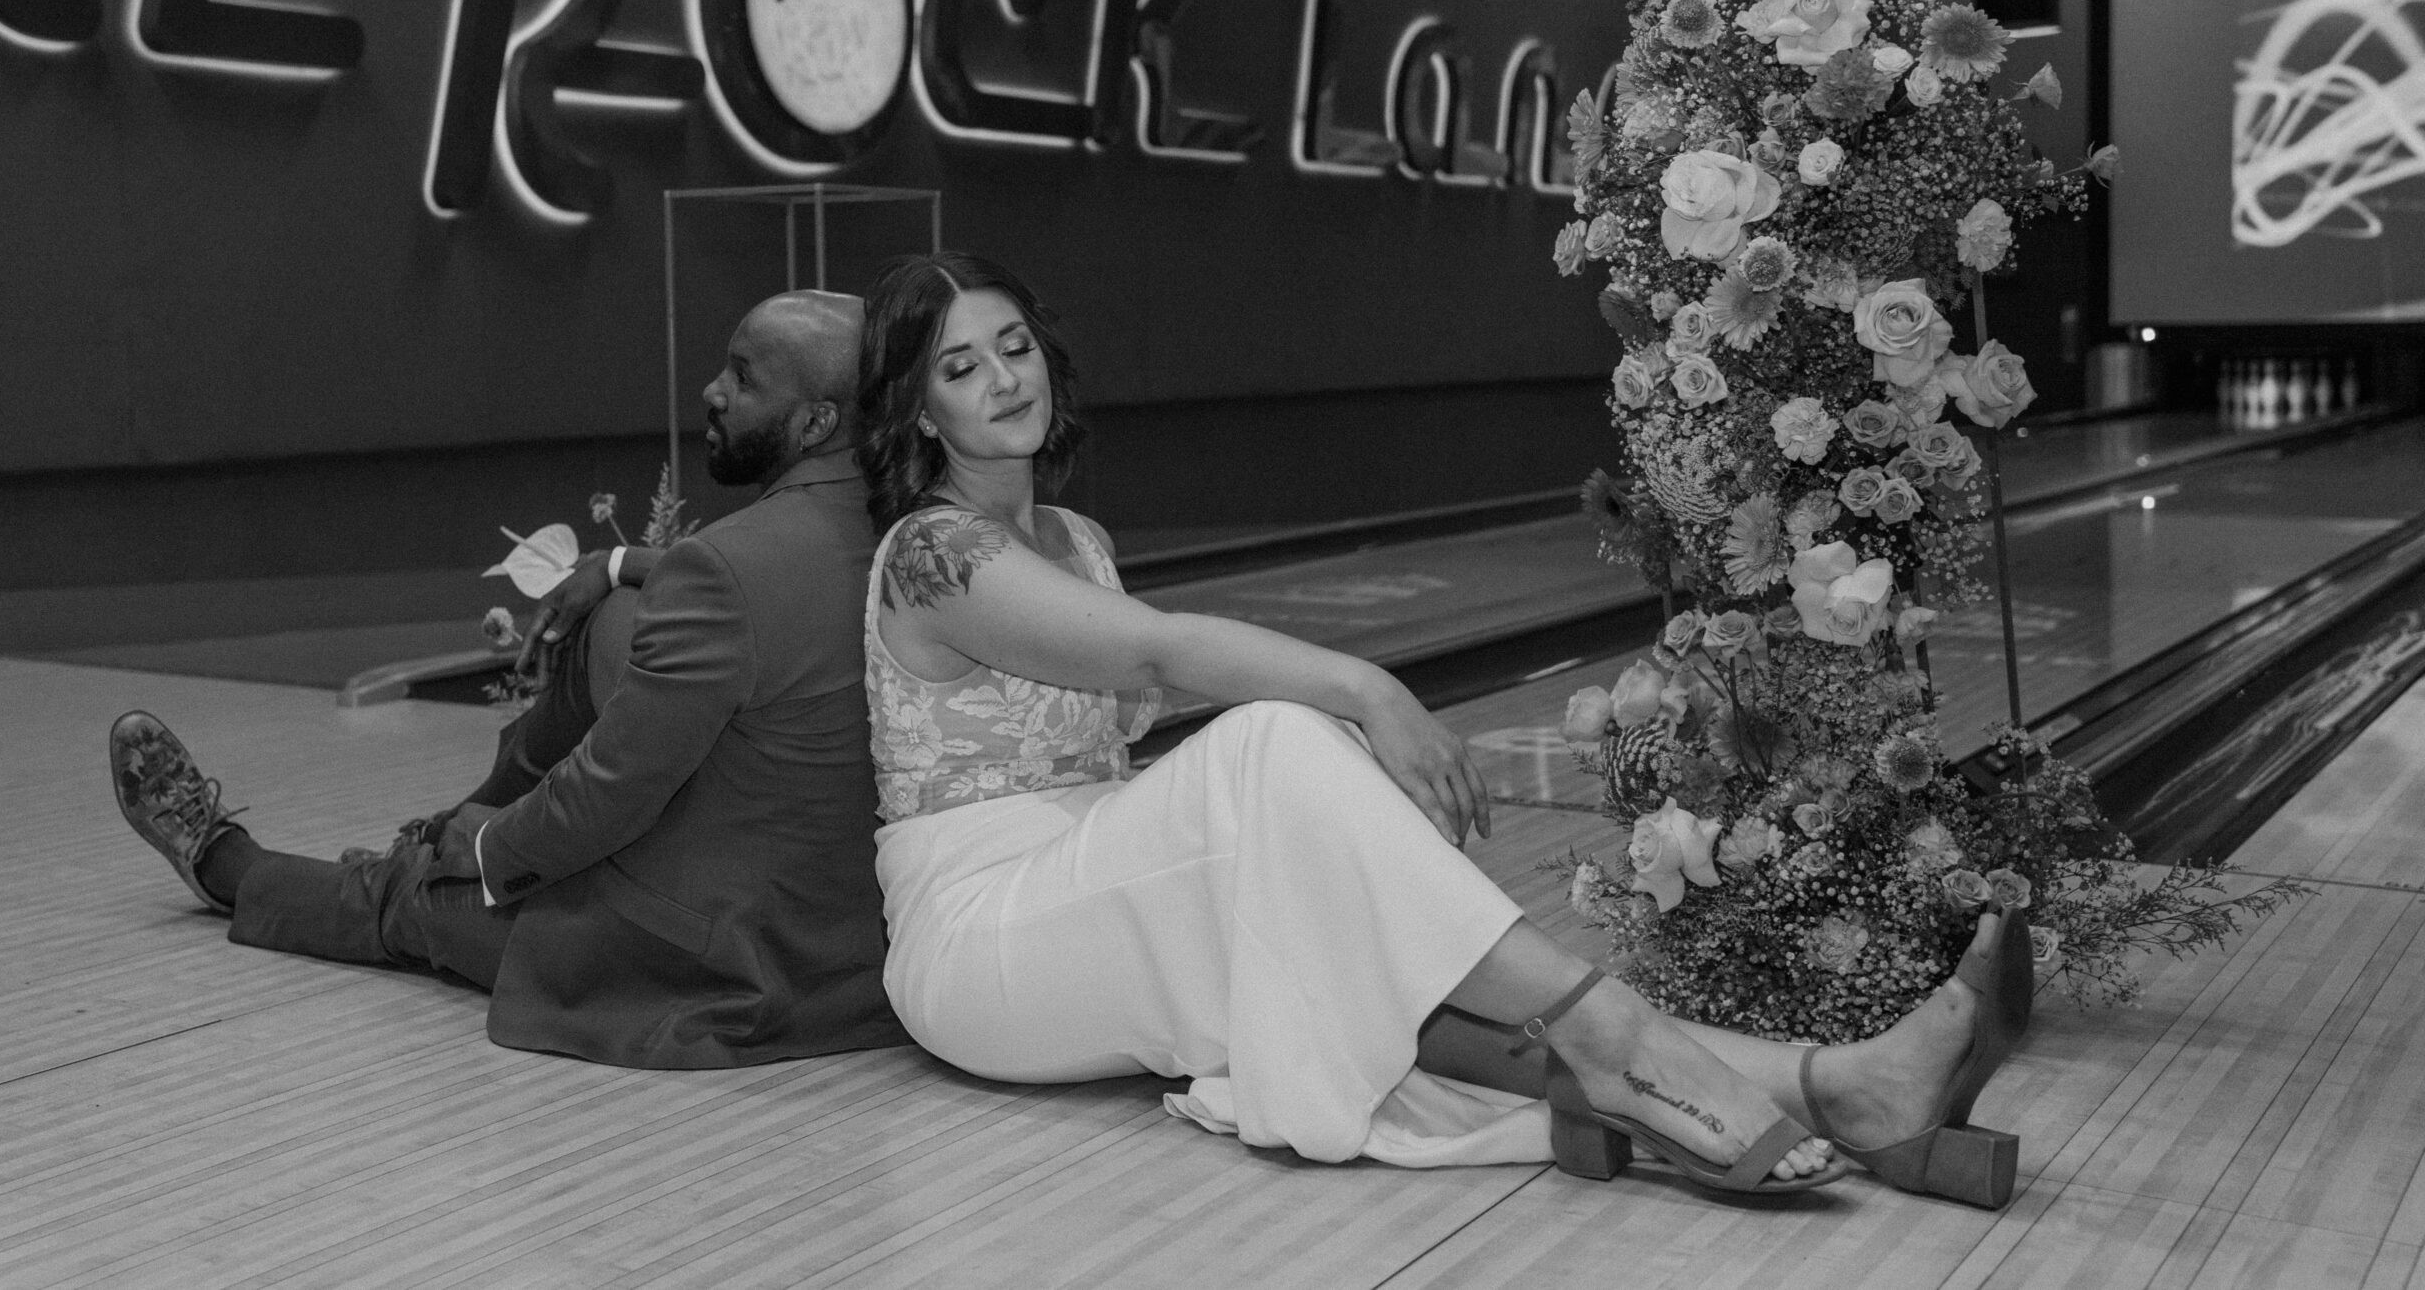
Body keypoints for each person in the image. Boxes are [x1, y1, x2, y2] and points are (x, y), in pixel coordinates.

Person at [851, 251, 2033, 1204]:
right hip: (985, 931)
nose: (1005, 379)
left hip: (1091, 878)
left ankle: (1844, 1087)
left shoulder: (1074, 542)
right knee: (1275, 737)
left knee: (1355, 923)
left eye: (1013, 348)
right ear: (918, 409)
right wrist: (1368, 689)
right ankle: (1625, 1042)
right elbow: (1160, 657)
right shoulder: (935, 552)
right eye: (961, 367)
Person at [109, 290, 910, 1069]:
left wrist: (485, 851)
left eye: (742, 376)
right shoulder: (915, 534)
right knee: (607, 618)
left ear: (815, 421)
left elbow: (609, 794)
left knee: (418, 898)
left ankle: (230, 864)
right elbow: (771, 587)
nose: (714, 390)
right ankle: (451, 826)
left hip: (715, 970)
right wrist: (620, 562)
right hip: (847, 964)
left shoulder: (730, 569)